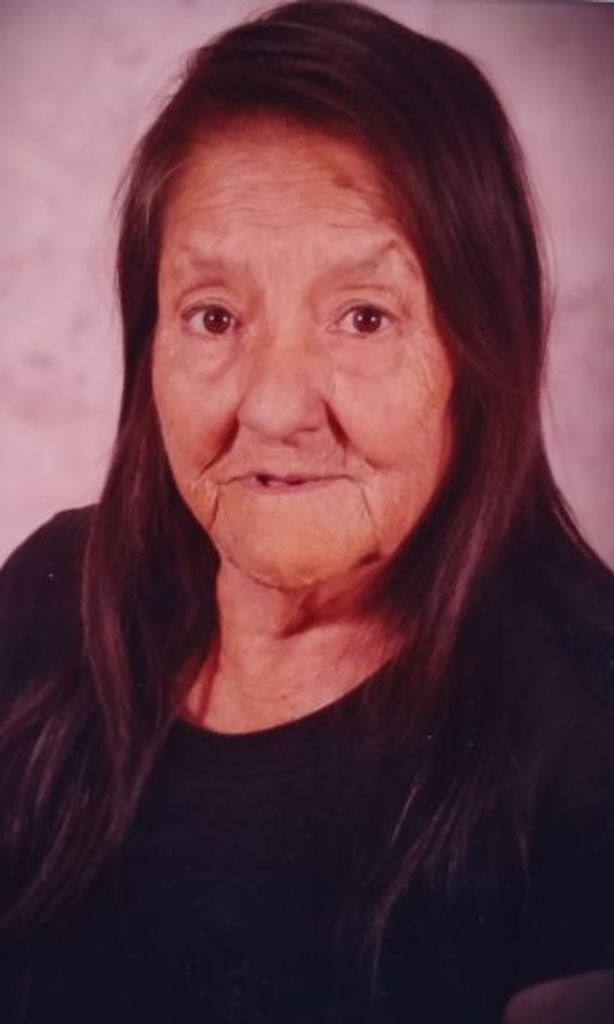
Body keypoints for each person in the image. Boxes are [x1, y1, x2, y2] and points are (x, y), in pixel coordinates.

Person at [1, 1, 613, 1021]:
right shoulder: (48, 602)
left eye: (364, 317)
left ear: (479, 350)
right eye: (213, 316)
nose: (276, 406)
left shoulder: (587, 730)